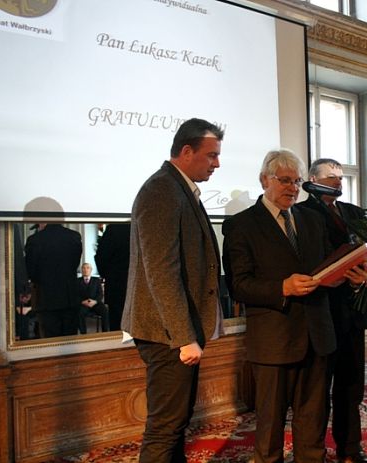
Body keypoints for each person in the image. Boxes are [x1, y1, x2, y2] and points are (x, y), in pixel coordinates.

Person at [222, 150, 367, 463]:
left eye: (298, 182)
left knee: (313, 424)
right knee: (270, 429)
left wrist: (354, 279)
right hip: (274, 340)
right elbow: (239, 285)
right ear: (264, 180)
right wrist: (282, 288)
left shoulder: (312, 219)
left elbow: (329, 269)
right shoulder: (241, 225)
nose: (293, 188)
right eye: (285, 181)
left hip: (318, 337)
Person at [121, 118, 225, 462]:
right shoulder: (162, 190)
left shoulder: (177, 187)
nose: (217, 164)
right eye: (211, 155)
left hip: (174, 331)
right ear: (186, 151)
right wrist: (183, 337)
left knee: (175, 423)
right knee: (165, 428)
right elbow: (161, 271)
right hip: (167, 335)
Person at [300, 158, 367, 463]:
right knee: (318, 391)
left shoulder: (354, 213)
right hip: (323, 313)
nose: (338, 182)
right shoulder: (301, 213)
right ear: (313, 180)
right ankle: (313, 452)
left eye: (341, 177)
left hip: (354, 313)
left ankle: (350, 448)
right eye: (331, 177)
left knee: (351, 387)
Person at [25, 223, 83, 338]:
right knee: (70, 337)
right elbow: (75, 264)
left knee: (51, 339)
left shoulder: (35, 240)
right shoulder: (74, 237)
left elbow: (31, 270)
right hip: (69, 296)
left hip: (47, 297)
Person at [95, 222, 130, 331]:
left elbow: (101, 257)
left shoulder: (114, 229)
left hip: (117, 285)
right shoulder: (144, 225)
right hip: (142, 286)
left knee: (118, 326)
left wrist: (108, 275)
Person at [77, 262, 110, 334]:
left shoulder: (96, 280)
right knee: (79, 313)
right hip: (84, 304)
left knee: (105, 310)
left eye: (87, 268)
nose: (85, 270)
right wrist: (82, 302)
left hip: (95, 303)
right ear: (81, 270)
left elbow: (100, 294)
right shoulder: (77, 281)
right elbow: (75, 295)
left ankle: (105, 332)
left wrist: (95, 301)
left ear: (91, 270)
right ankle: (83, 334)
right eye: (83, 268)